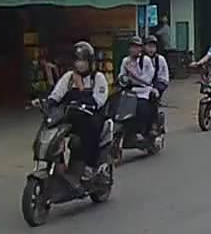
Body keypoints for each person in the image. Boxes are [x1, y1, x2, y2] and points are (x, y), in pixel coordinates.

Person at [47, 41, 109, 182]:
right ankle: (59, 163)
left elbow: (98, 101)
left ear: (90, 62)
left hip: (90, 116)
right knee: (52, 129)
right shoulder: (69, 77)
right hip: (71, 115)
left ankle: (89, 166)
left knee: (91, 128)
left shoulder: (97, 78)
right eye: (77, 60)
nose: (80, 64)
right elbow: (56, 95)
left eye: (83, 61)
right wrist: (48, 104)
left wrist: (81, 88)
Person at [119, 35, 157, 136]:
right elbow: (122, 77)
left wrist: (133, 78)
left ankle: (143, 130)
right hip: (130, 91)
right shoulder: (125, 61)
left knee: (141, 107)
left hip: (144, 91)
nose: (134, 50)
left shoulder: (146, 60)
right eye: (132, 47)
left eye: (137, 47)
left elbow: (147, 79)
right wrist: (125, 80)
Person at [143, 35, 169, 130]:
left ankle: (153, 124)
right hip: (141, 87)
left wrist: (157, 88)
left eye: (153, 47)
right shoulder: (140, 59)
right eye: (149, 46)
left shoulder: (160, 60)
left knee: (152, 99)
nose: (151, 49)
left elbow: (164, 78)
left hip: (156, 87)